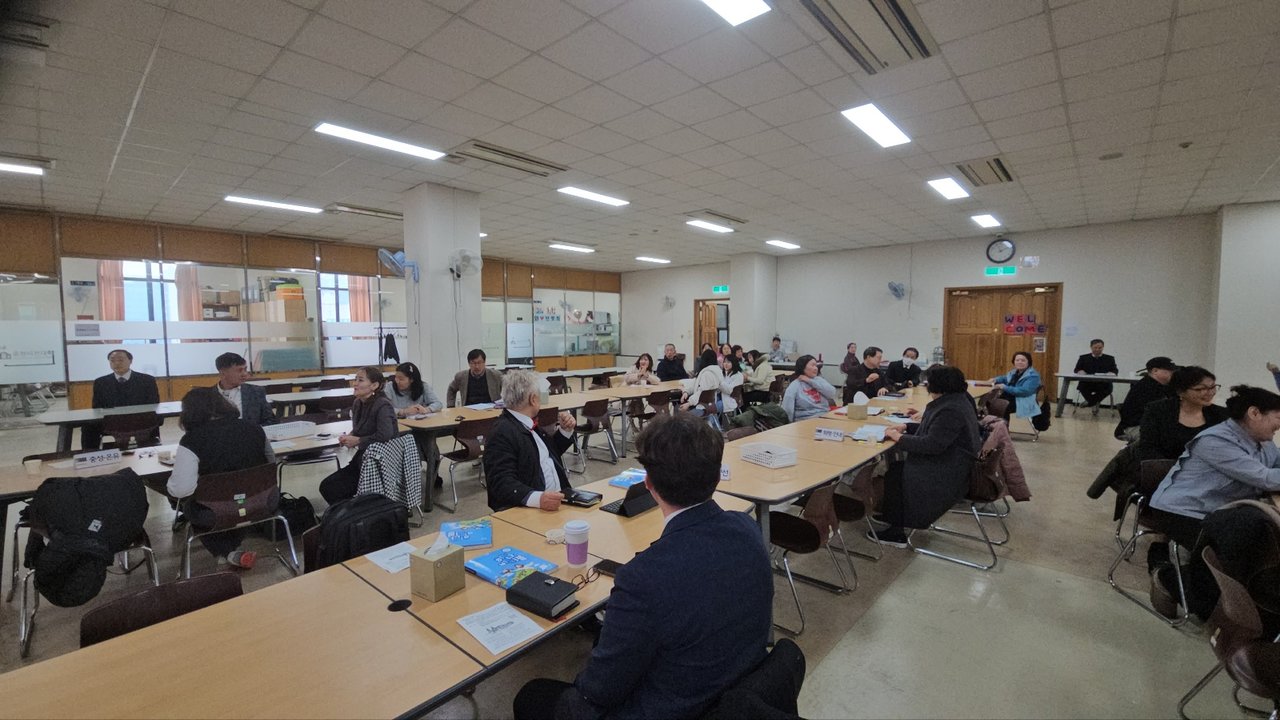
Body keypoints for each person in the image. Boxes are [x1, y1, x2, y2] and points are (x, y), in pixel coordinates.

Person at [513, 412, 772, 720]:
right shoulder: (747, 527)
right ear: (717, 476)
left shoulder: (643, 577)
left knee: (532, 695)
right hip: (737, 687)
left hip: (672, 708)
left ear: (648, 483)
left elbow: (600, 690)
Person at [1147, 385, 1280, 619]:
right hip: (1182, 511)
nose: (1279, 425)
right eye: (1278, 417)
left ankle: (1245, 605)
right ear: (1254, 413)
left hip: (1221, 512)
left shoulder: (1264, 442)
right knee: (1244, 547)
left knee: (1258, 541)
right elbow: (1266, 478)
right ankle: (1168, 579)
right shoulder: (1216, 441)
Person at [874, 365, 982, 548]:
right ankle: (894, 515)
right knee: (896, 470)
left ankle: (896, 532)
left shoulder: (950, 409)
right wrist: (907, 427)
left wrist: (898, 437)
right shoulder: (957, 400)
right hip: (953, 461)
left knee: (896, 474)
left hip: (948, 469)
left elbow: (931, 444)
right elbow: (937, 432)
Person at [166, 388, 275, 569]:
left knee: (194, 506)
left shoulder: (191, 440)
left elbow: (181, 490)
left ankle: (227, 552)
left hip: (216, 512)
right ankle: (232, 551)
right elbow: (271, 464)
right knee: (234, 504)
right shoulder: (255, 428)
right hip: (261, 503)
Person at [483, 370, 577, 512]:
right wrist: (538, 499)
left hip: (559, 499)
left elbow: (547, 454)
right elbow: (500, 482)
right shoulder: (502, 432)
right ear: (533, 399)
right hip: (532, 509)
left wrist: (565, 431)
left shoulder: (527, 423)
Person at [318, 367, 398, 504]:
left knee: (332, 489)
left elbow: (385, 435)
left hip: (379, 464)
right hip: (362, 459)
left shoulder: (383, 405)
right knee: (326, 486)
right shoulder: (358, 403)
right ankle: (351, 511)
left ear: (374, 385)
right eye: (355, 379)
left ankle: (354, 512)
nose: (355, 384)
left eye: (360, 380)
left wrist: (358, 441)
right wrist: (350, 436)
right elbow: (359, 429)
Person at [1138, 366, 1228, 463]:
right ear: (1180, 391)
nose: (1210, 393)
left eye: (1212, 387)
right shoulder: (1158, 411)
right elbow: (1148, 448)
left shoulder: (1221, 414)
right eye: (1200, 389)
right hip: (1167, 467)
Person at [83, 348, 161, 449]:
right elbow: (96, 407)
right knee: (88, 426)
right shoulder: (101, 382)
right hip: (112, 422)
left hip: (140, 420)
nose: (116, 363)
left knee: (152, 420)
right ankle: (91, 455)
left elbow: (154, 403)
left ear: (130, 361)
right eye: (112, 360)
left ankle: (152, 448)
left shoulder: (147, 380)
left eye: (120, 360)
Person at [1114, 356, 1178, 441]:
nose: (1173, 373)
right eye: (1170, 371)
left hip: (1147, 424)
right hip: (1134, 426)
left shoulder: (1162, 386)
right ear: (1155, 371)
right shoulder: (1146, 387)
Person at [212, 352, 275, 426]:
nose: (244, 374)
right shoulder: (208, 396)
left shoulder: (256, 392)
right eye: (239, 370)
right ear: (223, 374)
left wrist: (256, 430)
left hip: (252, 432)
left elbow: (270, 420)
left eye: (245, 369)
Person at [782, 354, 837, 422]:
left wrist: (810, 381)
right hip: (806, 419)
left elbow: (832, 393)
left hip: (825, 416)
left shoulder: (819, 380)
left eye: (816, 365)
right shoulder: (795, 385)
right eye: (812, 365)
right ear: (803, 367)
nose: (816, 368)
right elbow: (788, 409)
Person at [991, 351, 1042, 420]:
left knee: (1000, 406)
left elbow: (1024, 391)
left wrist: (1005, 387)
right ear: (1014, 362)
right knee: (990, 403)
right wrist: (995, 379)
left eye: (1023, 360)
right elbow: (1005, 378)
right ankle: (995, 423)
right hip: (1010, 397)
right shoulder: (1015, 372)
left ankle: (1002, 424)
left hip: (1022, 400)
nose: (1020, 362)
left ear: (1029, 362)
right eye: (1017, 360)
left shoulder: (1033, 376)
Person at [1074, 339, 1119, 412]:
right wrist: (1080, 371)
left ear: (1103, 347)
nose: (1097, 350)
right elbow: (1076, 369)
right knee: (1082, 387)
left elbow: (1115, 370)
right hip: (1087, 383)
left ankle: (1090, 402)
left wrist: (1111, 373)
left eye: (1100, 348)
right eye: (1095, 348)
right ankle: (1094, 402)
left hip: (1103, 383)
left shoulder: (1110, 358)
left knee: (1108, 389)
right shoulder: (1083, 358)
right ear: (1091, 347)